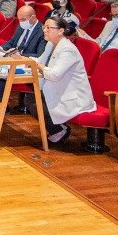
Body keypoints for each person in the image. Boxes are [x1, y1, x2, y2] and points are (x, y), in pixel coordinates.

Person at [35, 17, 96, 145]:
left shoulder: (68, 49)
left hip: (72, 95)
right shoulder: (51, 44)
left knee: (35, 101)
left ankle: (60, 130)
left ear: (61, 31)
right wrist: (24, 59)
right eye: (44, 27)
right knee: (31, 99)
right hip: (57, 87)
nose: (45, 30)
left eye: (48, 28)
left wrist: (40, 67)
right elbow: (40, 61)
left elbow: (54, 74)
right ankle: (57, 128)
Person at [0, 7, 46, 111]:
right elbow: (11, 42)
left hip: (26, 64)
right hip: (11, 58)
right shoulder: (21, 26)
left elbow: (40, 54)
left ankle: (0, 107)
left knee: (0, 75)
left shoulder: (42, 32)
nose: (21, 22)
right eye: (19, 19)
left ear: (33, 17)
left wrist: (21, 55)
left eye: (23, 19)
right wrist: (1, 49)